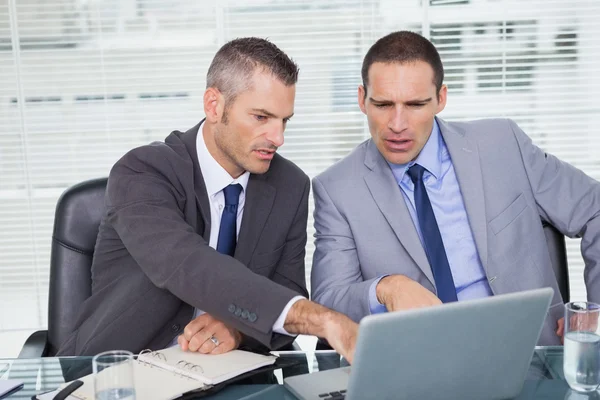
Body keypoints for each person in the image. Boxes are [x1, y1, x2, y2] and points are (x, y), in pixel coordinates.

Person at [57, 37, 357, 361]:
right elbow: (190, 266)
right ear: (214, 105)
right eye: (261, 117)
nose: (278, 138)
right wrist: (325, 320)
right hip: (120, 369)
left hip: (228, 374)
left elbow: (289, 290)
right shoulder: (143, 172)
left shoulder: (290, 185)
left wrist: (238, 329)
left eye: (284, 121)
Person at [311, 31, 600, 346]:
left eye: (415, 104)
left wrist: (597, 310)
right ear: (361, 100)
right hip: (420, 366)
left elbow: (594, 208)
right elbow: (329, 297)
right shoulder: (337, 189)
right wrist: (387, 288)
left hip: (530, 350)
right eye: (382, 104)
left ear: (441, 99)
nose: (397, 124)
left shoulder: (503, 144)